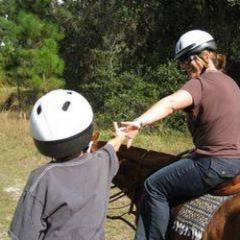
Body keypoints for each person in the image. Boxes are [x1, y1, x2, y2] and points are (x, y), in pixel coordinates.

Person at [121, 29, 240, 240]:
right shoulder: (231, 83)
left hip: (213, 163)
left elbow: (170, 103)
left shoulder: (200, 83)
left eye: (185, 60)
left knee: (153, 186)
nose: (183, 67)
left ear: (200, 57)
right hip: (236, 162)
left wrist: (139, 122)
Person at [8, 89, 127, 240]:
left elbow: (24, 234)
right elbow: (113, 146)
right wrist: (121, 135)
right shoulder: (102, 163)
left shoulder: (43, 178)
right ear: (88, 132)